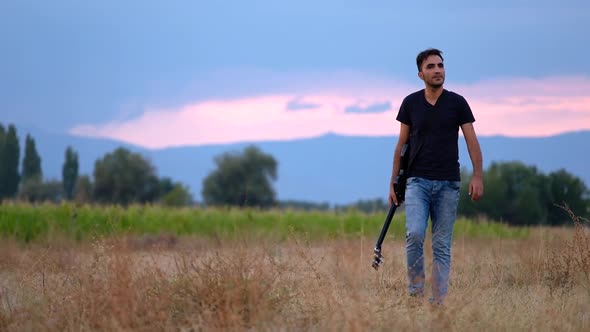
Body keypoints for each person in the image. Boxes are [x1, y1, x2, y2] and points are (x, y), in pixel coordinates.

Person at [389, 48, 484, 305]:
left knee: (441, 245)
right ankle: (415, 294)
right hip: (417, 182)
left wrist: (477, 175)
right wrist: (393, 182)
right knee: (415, 234)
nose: (437, 70)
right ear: (421, 74)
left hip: (448, 184)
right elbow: (401, 145)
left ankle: (438, 301)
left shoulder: (458, 103)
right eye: (431, 67)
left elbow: (472, 141)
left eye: (440, 65)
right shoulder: (410, 103)